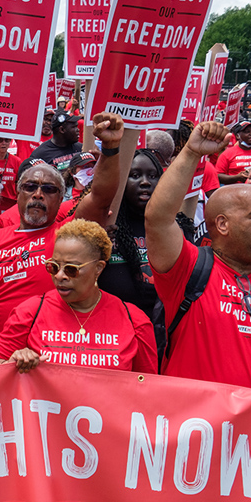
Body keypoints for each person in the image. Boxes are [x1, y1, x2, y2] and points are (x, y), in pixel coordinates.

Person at [145, 121, 251, 391]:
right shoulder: (188, 268)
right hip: (189, 427)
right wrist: (191, 152)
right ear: (223, 225)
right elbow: (158, 219)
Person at [0, 113, 127, 366]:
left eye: (49, 189)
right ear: (18, 194)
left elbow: (100, 197)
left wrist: (110, 148)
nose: (38, 194)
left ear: (60, 199)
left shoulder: (67, 236)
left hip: (51, 364)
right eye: (30, 187)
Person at [0, 219, 158, 373]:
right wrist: (12, 363)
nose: (59, 276)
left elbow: (147, 387)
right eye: (54, 267)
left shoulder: (134, 321)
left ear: (98, 268)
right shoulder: (29, 312)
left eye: (71, 269)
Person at [101, 149, 196, 354]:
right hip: (115, 336)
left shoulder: (178, 229)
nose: (145, 182)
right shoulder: (107, 228)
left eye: (153, 176)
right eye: (134, 176)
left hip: (166, 339)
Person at [0, 136, 21, 212]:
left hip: (10, 204)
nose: (4, 143)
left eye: (7, 140)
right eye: (0, 140)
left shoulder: (17, 161)